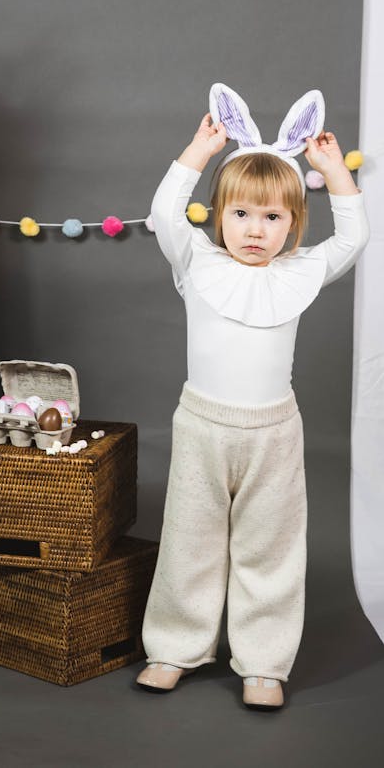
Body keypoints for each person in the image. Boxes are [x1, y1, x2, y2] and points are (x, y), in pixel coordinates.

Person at [136, 82, 368, 709]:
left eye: (273, 218)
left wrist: (331, 172)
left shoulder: (300, 271)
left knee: (271, 543)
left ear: (294, 223)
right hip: (203, 426)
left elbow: (352, 240)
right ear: (217, 214)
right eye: (241, 214)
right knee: (191, 536)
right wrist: (197, 152)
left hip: (273, 432)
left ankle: (264, 661)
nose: (256, 230)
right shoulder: (197, 261)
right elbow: (163, 212)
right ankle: (174, 647)